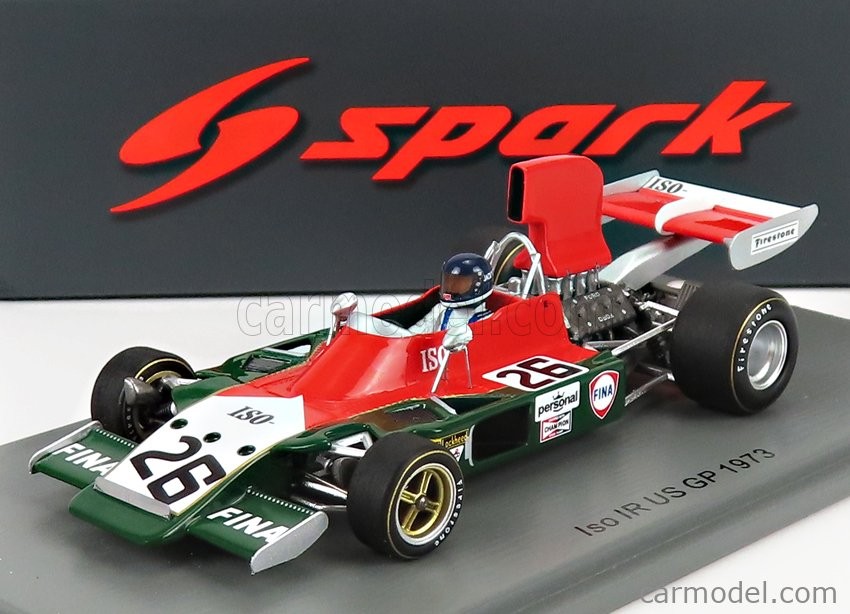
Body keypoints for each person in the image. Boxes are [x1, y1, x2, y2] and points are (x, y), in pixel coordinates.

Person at [408, 253, 494, 334]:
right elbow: (413, 334)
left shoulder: (488, 322)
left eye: (459, 282)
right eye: (449, 281)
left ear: (478, 283)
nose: (451, 287)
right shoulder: (440, 311)